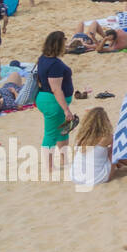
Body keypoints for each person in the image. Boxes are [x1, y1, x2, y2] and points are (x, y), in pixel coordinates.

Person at [35, 31, 79, 172]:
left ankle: (65, 161)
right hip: (53, 102)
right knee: (51, 133)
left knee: (62, 131)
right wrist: (66, 109)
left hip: (48, 100)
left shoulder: (43, 58)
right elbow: (56, 89)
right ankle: (49, 167)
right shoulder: (55, 64)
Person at [71, 106, 127, 187]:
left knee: (105, 151)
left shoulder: (81, 137)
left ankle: (120, 165)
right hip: (96, 178)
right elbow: (120, 146)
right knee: (115, 149)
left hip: (76, 176)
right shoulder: (106, 138)